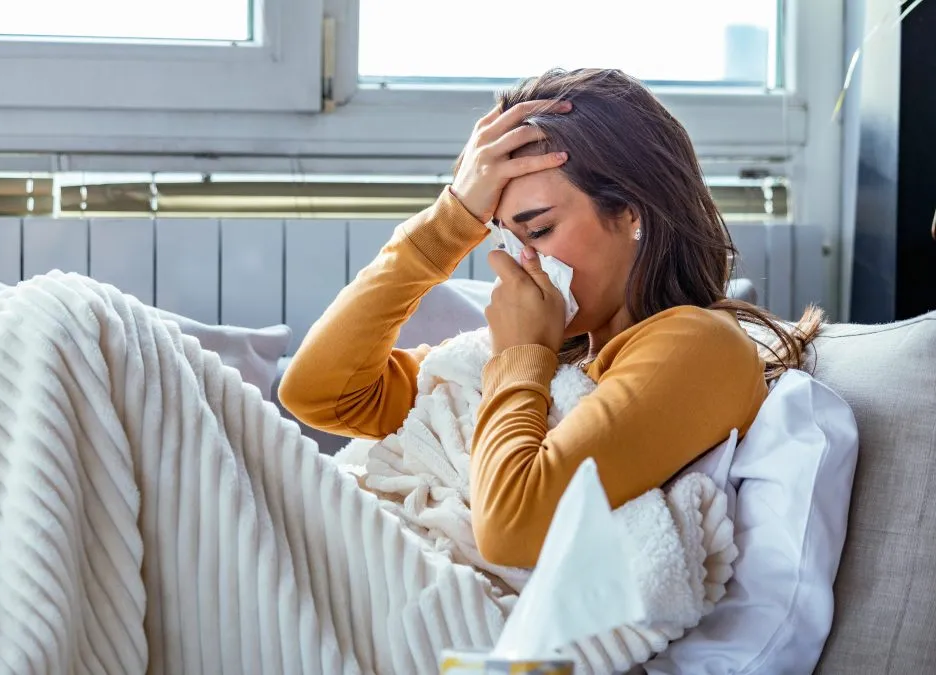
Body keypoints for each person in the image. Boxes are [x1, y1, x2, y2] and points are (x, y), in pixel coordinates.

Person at [279, 68, 821, 570]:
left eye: (537, 231)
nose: (521, 263)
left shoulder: (698, 344)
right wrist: (450, 220)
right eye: (503, 237)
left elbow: (513, 529)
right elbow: (318, 395)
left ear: (632, 212)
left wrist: (522, 356)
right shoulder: (550, 360)